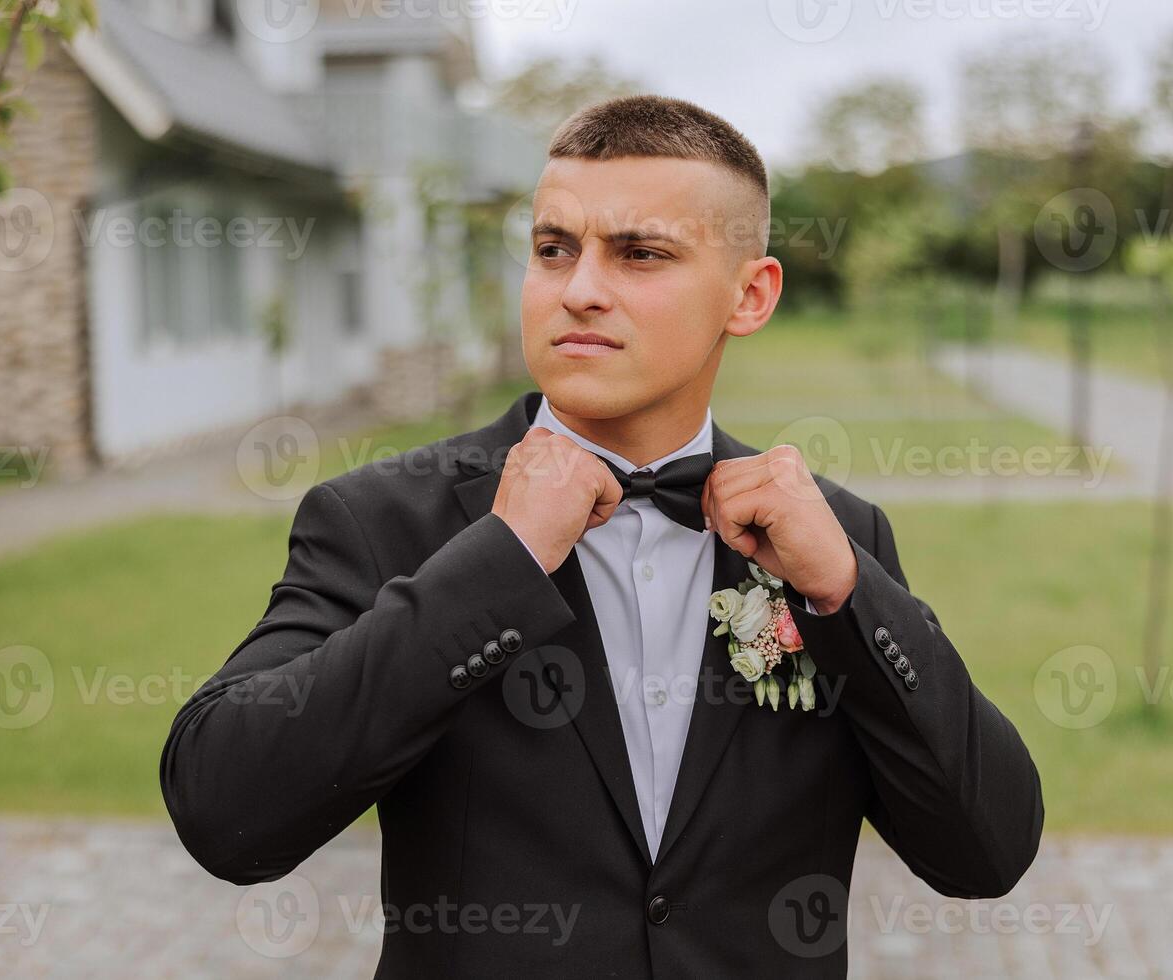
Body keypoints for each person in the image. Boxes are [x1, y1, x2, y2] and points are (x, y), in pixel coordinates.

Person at [160, 94, 1043, 978]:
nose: (579, 288)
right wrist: (496, 564)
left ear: (749, 295)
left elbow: (987, 851)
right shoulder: (387, 518)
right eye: (554, 249)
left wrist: (849, 594)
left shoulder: (834, 539)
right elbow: (225, 809)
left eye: (640, 253)